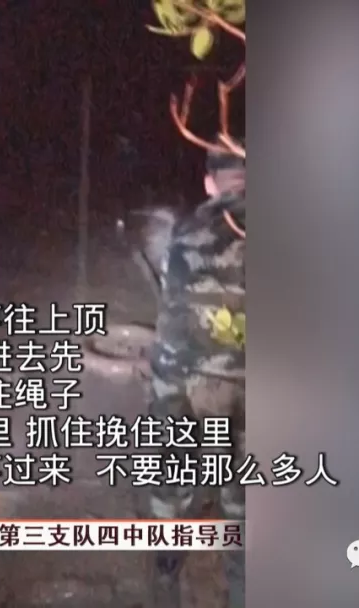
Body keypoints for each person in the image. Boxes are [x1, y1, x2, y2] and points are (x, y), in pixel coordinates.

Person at [146, 142, 246, 608]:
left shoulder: (185, 233)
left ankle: (167, 560)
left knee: (175, 457)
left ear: (210, 183)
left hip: (188, 379)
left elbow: (174, 314)